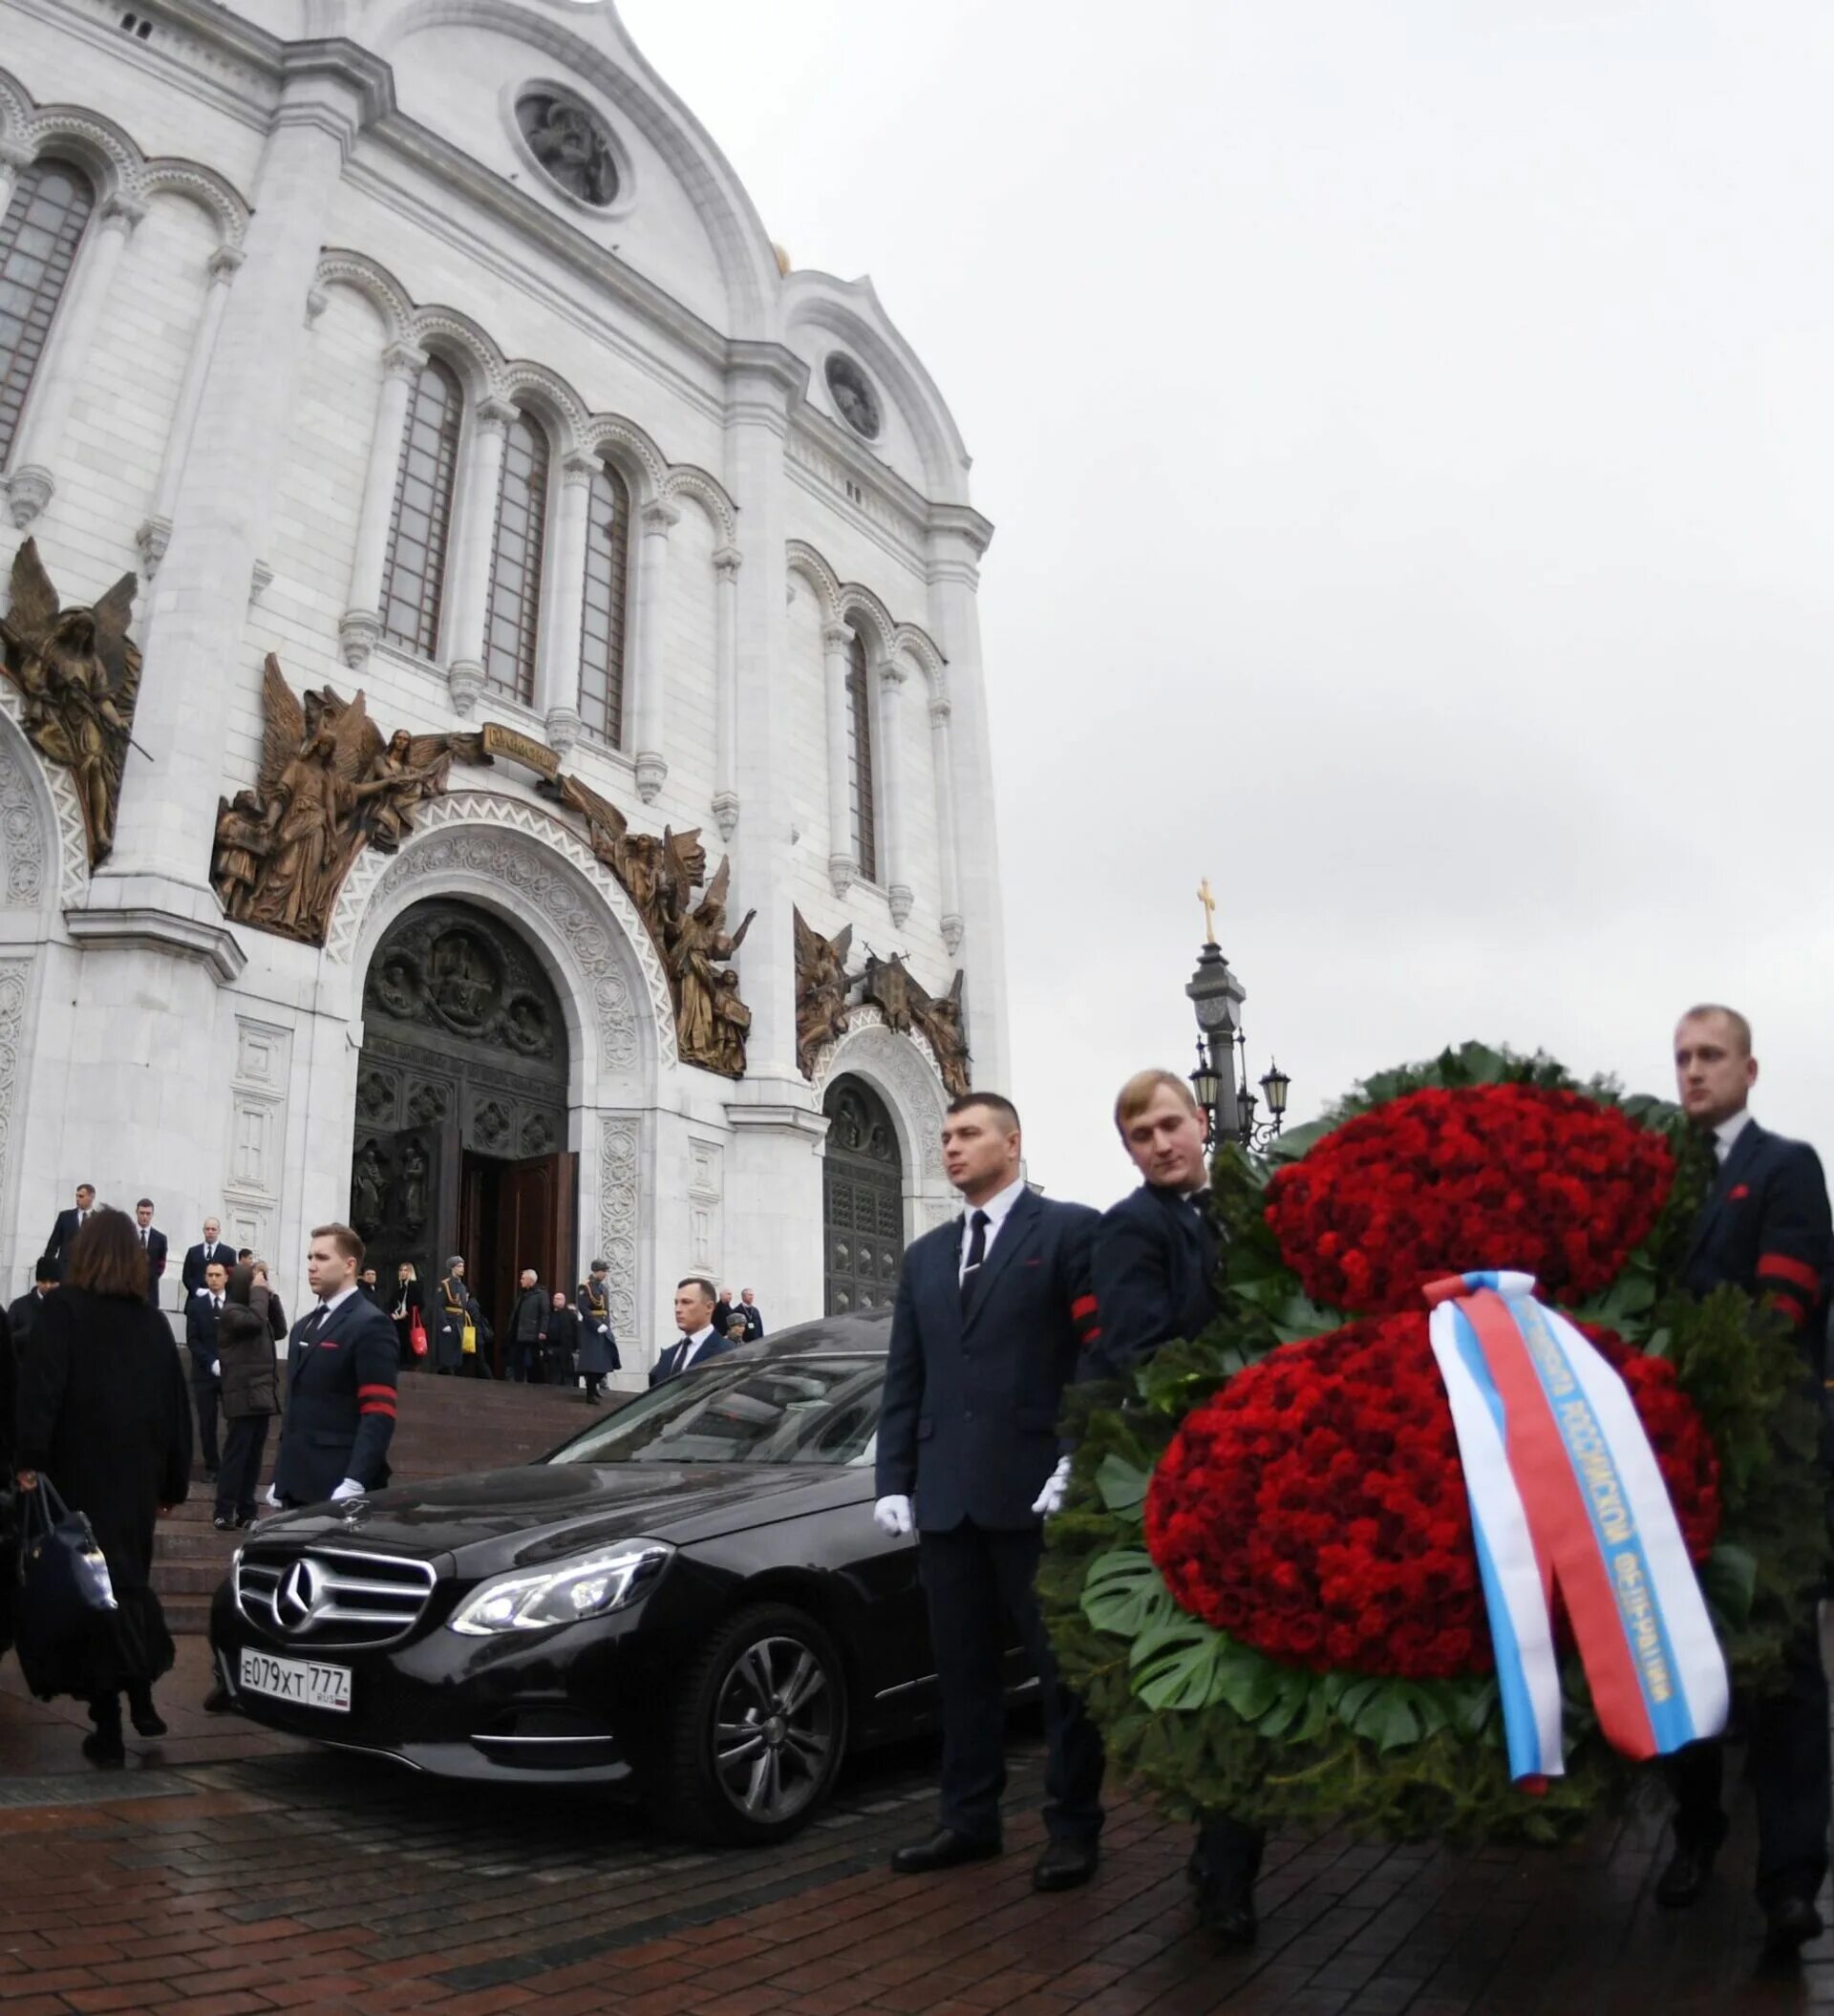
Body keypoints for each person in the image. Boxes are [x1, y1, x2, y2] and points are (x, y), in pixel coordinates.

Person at [875, 1092, 1107, 1893]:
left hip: (1038, 1494)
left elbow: (1093, 1357)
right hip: (946, 1499)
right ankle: (968, 1820)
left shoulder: (1070, 1230)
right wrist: (892, 1478)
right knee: (962, 1671)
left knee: (1060, 1674)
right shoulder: (926, 1255)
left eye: (968, 1133)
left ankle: (1073, 1827)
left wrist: (1077, 1456)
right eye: (943, 1136)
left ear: (1012, 1142)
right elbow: (906, 1376)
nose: (951, 1147)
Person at [1657, 1005, 1834, 1956]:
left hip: (1771, 1461)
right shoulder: (1663, 1186)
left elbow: (1783, 1305)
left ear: (1749, 1068)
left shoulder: (1785, 1166)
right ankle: (1695, 1829)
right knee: (1682, 1659)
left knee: (1784, 1670)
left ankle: (1792, 1878)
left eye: (1710, 1055)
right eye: (1682, 1056)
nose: (1693, 1071)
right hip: (1677, 1468)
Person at [1077, 1068, 1256, 1942]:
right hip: (1186, 1478)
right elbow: (1142, 1358)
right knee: (1218, 1683)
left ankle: (1228, 1856)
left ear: (1200, 1121)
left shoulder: (1226, 1217)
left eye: (1171, 1125)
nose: (1162, 1143)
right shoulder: (1131, 1229)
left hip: (1251, 1472)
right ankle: (1224, 1875)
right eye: (1142, 1135)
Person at [14, 1207, 191, 1767]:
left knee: (91, 1589)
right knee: (128, 1578)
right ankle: (139, 1692)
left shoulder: (64, 1310)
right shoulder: (152, 1322)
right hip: (134, 1479)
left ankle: (109, 1722)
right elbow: (176, 1410)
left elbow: (42, 1390)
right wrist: (172, 1479)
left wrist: (27, 1460)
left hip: (76, 1476)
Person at [269, 1223, 399, 1509]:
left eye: (322, 1258)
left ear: (349, 1265)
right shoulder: (304, 1326)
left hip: (340, 1486)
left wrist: (356, 1480)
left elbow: (378, 1412)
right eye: (309, 1258)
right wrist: (281, 1475)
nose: (312, 1266)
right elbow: (295, 1408)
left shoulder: (371, 1324)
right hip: (296, 1484)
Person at [213, 1264, 279, 1531]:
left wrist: (271, 1297)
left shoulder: (258, 1309)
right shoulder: (231, 1312)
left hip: (261, 1393)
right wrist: (259, 1293)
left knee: (253, 1457)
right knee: (236, 1455)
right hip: (241, 1395)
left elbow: (281, 1328)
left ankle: (246, 1510)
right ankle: (224, 1509)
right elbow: (254, 1321)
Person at [183, 1260, 228, 1483]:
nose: (213, 1279)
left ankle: (231, 1465)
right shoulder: (196, 1306)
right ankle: (212, 1467)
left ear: (225, 1278)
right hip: (204, 1373)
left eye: (218, 1275)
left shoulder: (235, 1305)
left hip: (231, 1373)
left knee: (234, 1423)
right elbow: (192, 1340)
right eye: (210, 1275)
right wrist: (211, 1361)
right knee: (207, 1423)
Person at [650, 1278, 737, 1386]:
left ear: (709, 1307)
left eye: (686, 1302)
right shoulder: (668, 1356)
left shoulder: (728, 1353)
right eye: (676, 1303)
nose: (678, 1309)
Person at [433, 1257, 491, 1378]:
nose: (462, 1269)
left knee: (457, 1356)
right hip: (449, 1322)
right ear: (452, 1268)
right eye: (459, 1266)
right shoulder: (445, 1285)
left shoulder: (463, 1287)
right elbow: (439, 1307)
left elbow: (463, 1307)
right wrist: (444, 1324)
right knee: (447, 1355)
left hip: (459, 1323)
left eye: (463, 1266)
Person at [576, 1264, 620, 1403]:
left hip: (603, 1328)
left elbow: (606, 1310)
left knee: (605, 1362)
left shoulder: (603, 1288)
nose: (605, 1274)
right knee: (593, 1363)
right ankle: (590, 1393)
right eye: (604, 1271)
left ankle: (595, 1387)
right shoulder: (585, 1287)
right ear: (597, 1271)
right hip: (591, 1330)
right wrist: (597, 1325)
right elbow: (584, 1309)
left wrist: (607, 1327)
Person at [44, 1182, 95, 1283]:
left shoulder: (99, 1219)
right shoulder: (65, 1216)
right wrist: (48, 1268)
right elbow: (54, 1243)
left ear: (91, 1197)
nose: (77, 1199)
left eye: (81, 1196)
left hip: (88, 1272)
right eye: (76, 1196)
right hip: (65, 1270)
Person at [7, 1258, 56, 1352]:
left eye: (53, 1282)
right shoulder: (18, 1306)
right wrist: (27, 1334)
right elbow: (6, 1341)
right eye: (43, 1281)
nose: (48, 1286)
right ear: (37, 1281)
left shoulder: (66, 1308)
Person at [508, 1267, 546, 1384]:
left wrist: (542, 1331)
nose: (521, 1280)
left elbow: (545, 1313)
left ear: (530, 1280)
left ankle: (535, 1381)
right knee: (517, 1358)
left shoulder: (541, 1294)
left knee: (533, 1359)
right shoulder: (522, 1294)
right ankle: (518, 1380)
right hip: (519, 1332)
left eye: (523, 1278)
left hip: (532, 1333)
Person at [181, 1219, 236, 1297]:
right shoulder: (193, 1252)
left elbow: (232, 1278)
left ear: (219, 1231)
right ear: (203, 1230)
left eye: (213, 1229)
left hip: (219, 1300)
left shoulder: (229, 1253)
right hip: (195, 1299)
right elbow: (186, 1276)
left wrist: (219, 1292)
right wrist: (197, 1290)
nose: (210, 1232)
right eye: (207, 1229)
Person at [540, 1290, 580, 1390]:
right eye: (554, 1298)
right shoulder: (549, 1314)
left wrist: (577, 1348)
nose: (556, 1300)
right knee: (553, 1374)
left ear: (564, 1301)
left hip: (566, 1349)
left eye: (559, 1299)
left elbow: (577, 1332)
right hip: (551, 1348)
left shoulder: (571, 1315)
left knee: (566, 1375)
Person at [133, 1199, 167, 1309]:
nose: (145, 1217)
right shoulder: (128, 1234)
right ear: (136, 1212)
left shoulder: (160, 1238)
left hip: (151, 1290)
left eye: (148, 1214)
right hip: (129, 1287)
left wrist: (152, 1276)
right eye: (142, 1213)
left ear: (152, 1214)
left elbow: (161, 1263)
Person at [391, 1263, 424, 1369]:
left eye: (406, 1270)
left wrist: (408, 1312)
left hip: (409, 1322)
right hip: (399, 1321)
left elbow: (420, 1303)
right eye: (401, 1270)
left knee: (409, 1346)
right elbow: (391, 1303)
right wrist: (394, 1313)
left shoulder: (414, 1286)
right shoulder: (398, 1287)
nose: (403, 1272)